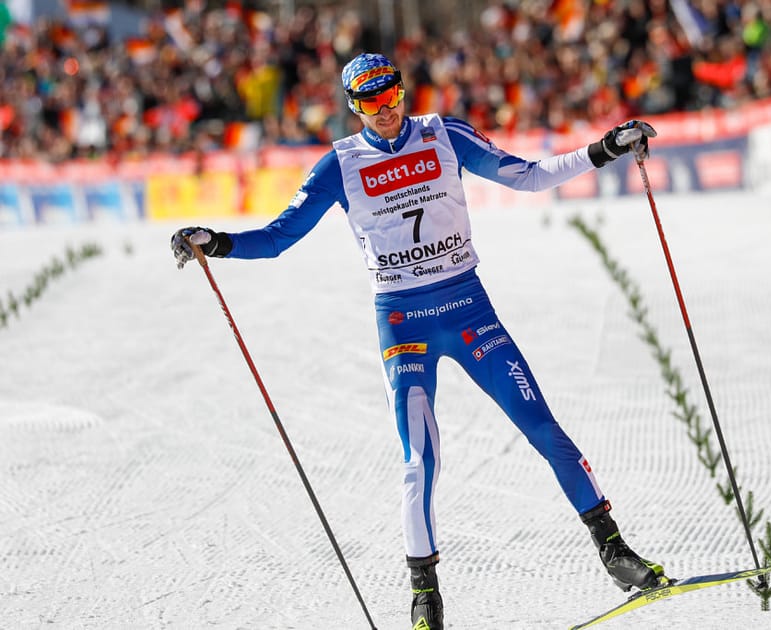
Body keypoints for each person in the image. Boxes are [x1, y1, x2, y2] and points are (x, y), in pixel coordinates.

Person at [172, 52, 662, 630]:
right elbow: (280, 237)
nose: (385, 110)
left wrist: (603, 149)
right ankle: (425, 598)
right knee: (419, 460)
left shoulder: (443, 134)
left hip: (467, 307)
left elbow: (527, 175)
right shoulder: (340, 164)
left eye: (392, 95)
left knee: (541, 426)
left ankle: (614, 549)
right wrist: (217, 243)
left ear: (403, 91)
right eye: (370, 102)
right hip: (404, 323)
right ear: (353, 107)